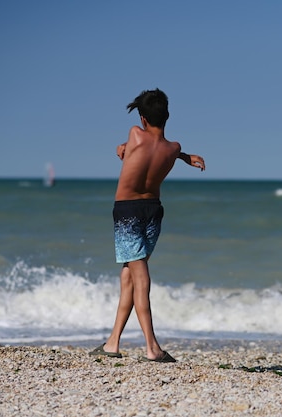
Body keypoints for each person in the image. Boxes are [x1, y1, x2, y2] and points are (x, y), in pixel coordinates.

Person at [90, 88, 205, 362]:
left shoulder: (134, 134)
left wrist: (124, 147)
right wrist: (185, 157)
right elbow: (165, 148)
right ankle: (112, 343)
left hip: (127, 211)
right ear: (167, 117)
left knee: (139, 278)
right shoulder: (174, 148)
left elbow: (133, 145)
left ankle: (152, 347)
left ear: (142, 119)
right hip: (153, 212)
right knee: (129, 275)